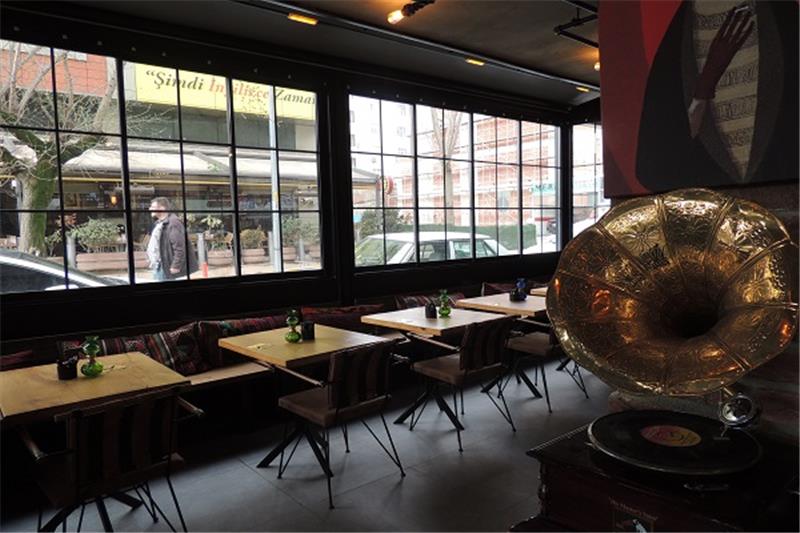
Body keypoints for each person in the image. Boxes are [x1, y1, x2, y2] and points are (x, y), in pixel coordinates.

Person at [636, 0, 798, 190]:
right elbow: (658, 161)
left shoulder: (782, 17)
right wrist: (707, 80)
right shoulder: (680, 39)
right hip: (709, 190)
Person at [146, 197, 198, 280]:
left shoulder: (173, 223)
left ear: (162, 208)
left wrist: (176, 265)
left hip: (165, 267)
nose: (150, 209)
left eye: (153, 207)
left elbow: (180, 247)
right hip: (159, 265)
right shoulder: (159, 223)